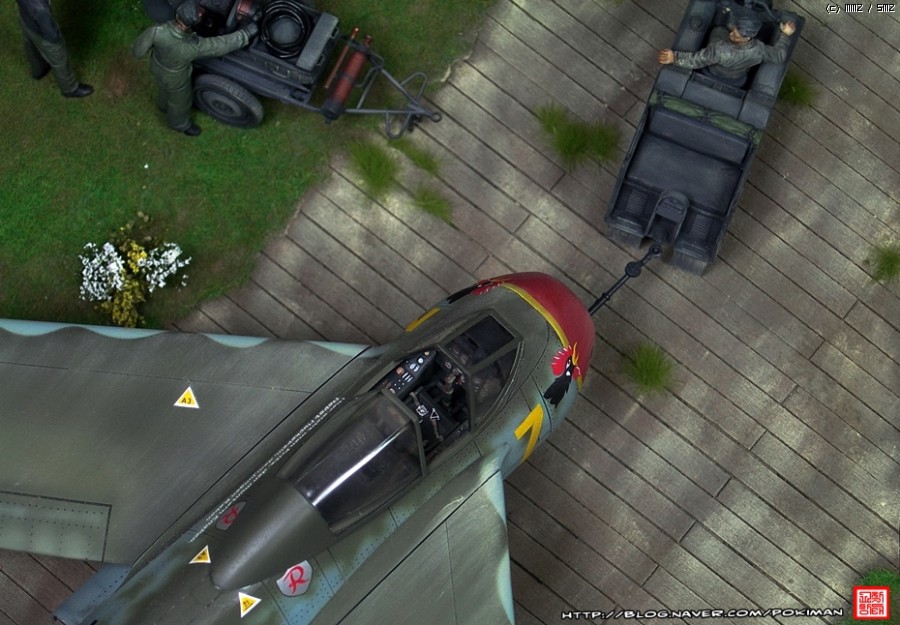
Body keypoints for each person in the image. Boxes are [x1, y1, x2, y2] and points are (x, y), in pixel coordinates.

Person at [133, 0, 258, 136]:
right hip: (177, 78)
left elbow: (138, 51)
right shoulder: (192, 47)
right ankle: (180, 124)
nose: (201, 12)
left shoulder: (157, 30)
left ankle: (162, 106)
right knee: (180, 103)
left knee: (163, 87)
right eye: (199, 13)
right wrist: (245, 34)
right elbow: (219, 45)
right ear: (190, 23)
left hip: (157, 67)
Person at [658, 15, 796, 87]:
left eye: (736, 35)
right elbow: (779, 55)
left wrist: (675, 58)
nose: (731, 34)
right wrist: (785, 35)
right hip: (737, 77)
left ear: (748, 37)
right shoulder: (759, 50)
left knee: (719, 30)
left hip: (715, 70)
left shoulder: (720, 49)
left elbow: (698, 60)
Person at [16, 0, 93, 98]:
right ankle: (70, 89)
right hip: (42, 31)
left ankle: (39, 71)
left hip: (26, 21)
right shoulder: (41, 9)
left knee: (31, 46)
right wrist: (56, 40)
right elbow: (52, 34)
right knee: (59, 59)